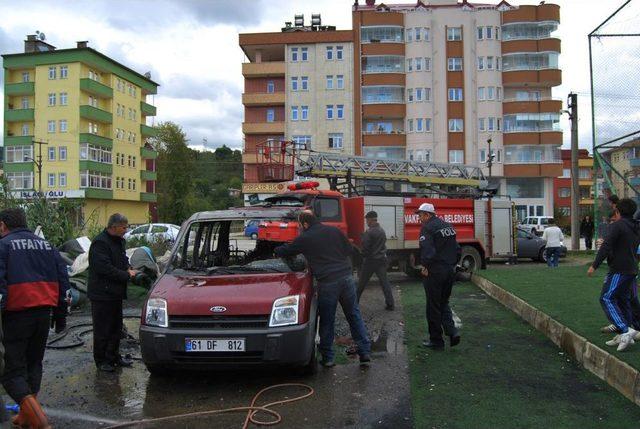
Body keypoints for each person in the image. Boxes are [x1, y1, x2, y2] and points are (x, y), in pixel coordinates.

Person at [0, 207, 70, 429]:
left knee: (11, 371)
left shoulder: (3, 245)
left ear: (3, 225)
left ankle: (39, 420)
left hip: (15, 315)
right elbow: (63, 283)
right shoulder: (47, 245)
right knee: (33, 364)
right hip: (43, 315)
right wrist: (61, 319)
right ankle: (25, 416)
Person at [274, 211, 371, 367]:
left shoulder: (305, 238)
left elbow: (286, 250)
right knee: (354, 314)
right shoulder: (334, 231)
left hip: (328, 282)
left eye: (300, 226)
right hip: (346, 278)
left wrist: (275, 250)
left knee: (327, 319)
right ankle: (365, 352)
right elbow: (349, 249)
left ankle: (328, 357)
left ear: (305, 224)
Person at [588, 198, 640, 351]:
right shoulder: (635, 226)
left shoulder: (618, 226)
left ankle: (625, 329)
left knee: (606, 297)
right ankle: (625, 333)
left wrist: (594, 265)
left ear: (618, 211)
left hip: (620, 270)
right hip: (631, 269)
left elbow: (606, 246)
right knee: (623, 300)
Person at [88, 213, 138, 372]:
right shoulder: (100, 243)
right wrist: (125, 275)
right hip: (102, 294)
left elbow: (122, 259)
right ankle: (102, 360)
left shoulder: (119, 242)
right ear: (114, 226)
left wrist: (128, 267)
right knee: (103, 329)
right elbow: (104, 269)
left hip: (115, 293)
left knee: (116, 328)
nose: (126, 230)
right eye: (124, 227)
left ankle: (114, 357)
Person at [417, 203, 461, 350]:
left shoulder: (428, 228)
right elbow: (457, 249)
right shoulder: (448, 226)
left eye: (421, 215)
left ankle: (436, 341)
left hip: (435, 272)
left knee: (433, 306)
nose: (419, 218)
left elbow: (427, 252)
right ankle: (452, 331)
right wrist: (452, 264)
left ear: (428, 215)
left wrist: (425, 266)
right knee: (443, 302)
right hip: (449, 270)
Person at [356, 211, 394, 311]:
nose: (366, 222)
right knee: (385, 283)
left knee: (361, 284)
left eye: (367, 220)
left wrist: (361, 251)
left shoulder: (369, 232)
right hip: (381, 260)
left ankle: (354, 304)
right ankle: (390, 304)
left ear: (371, 219)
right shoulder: (382, 230)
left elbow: (365, 249)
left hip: (370, 261)